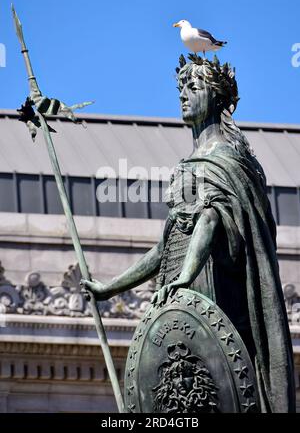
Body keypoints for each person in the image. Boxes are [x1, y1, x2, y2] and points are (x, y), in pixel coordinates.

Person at [81, 55, 295, 413]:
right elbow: (167, 248)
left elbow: (212, 219)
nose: (183, 94)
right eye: (180, 88)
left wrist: (185, 276)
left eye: (193, 87)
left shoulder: (223, 157)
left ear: (215, 95)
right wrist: (109, 288)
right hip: (189, 298)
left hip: (220, 303)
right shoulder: (192, 163)